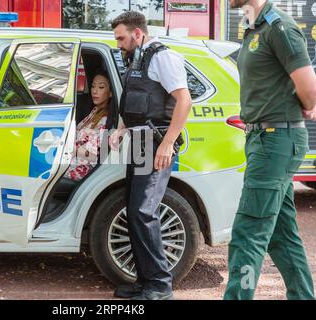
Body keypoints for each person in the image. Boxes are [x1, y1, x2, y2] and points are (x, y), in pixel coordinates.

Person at [224, 0, 316, 300]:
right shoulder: (255, 28)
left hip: (275, 140)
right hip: (263, 139)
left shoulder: (280, 27)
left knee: (247, 235)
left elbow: (310, 88)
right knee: (281, 235)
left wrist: (305, 106)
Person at [109, 11, 192, 300]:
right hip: (140, 140)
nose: (118, 43)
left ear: (137, 33)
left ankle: (159, 286)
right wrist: (121, 129)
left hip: (155, 142)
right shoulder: (137, 59)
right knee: (134, 211)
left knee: (145, 212)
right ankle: (144, 281)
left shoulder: (162, 57)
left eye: (121, 37)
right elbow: (133, 102)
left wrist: (168, 144)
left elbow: (184, 100)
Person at [64, 69, 112, 181]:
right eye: (93, 86)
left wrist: (70, 147)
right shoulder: (94, 111)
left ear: (110, 93)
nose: (94, 91)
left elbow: (93, 157)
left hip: (80, 168)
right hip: (69, 159)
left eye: (101, 87)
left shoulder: (104, 120)